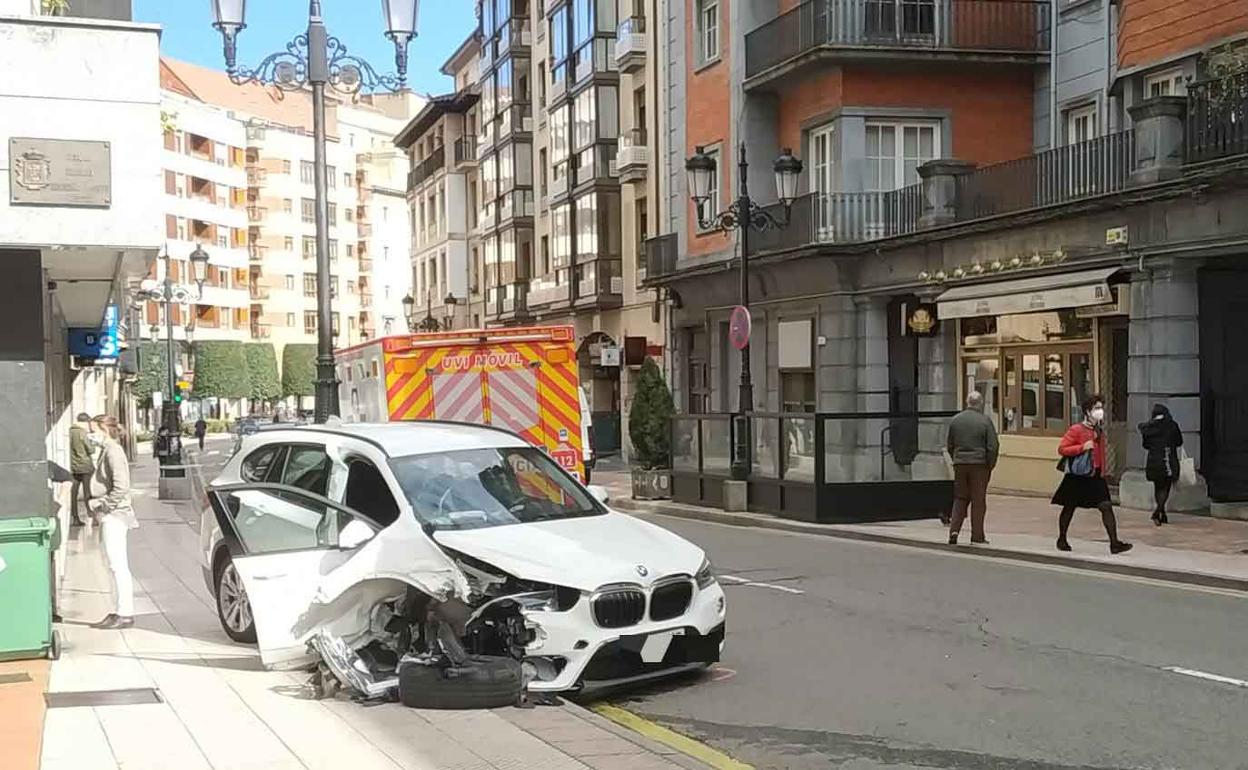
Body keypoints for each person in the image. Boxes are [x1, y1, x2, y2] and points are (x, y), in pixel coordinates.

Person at [1053, 395, 1133, 554]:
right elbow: (1062, 449)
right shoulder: (1076, 429)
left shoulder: (1099, 431)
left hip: (1095, 475)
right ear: (1087, 412)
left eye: (1101, 408)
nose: (1100, 411)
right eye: (1096, 408)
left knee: (1106, 507)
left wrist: (1104, 471)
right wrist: (1082, 447)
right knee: (1069, 507)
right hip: (1078, 476)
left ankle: (1114, 543)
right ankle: (1062, 538)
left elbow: (1101, 454)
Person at [87, 415, 137, 630]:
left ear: (104, 430)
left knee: (118, 565)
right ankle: (118, 610)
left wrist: (103, 505)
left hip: (115, 515)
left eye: (93, 430)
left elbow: (121, 486)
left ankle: (125, 613)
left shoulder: (113, 451)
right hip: (111, 514)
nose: (91, 435)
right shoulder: (107, 450)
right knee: (112, 565)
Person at [945, 390, 999, 545]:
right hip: (979, 465)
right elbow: (993, 446)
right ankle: (977, 535)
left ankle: (954, 531)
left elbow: (950, 444)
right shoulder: (985, 421)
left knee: (960, 498)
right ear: (980, 403)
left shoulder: (956, 420)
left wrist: (956, 458)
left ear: (967, 403)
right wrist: (990, 464)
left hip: (960, 464)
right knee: (978, 500)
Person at [1140, 403, 1183, 526]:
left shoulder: (1148, 427)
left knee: (1158, 486)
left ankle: (1161, 513)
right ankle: (1158, 511)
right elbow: (1179, 441)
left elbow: (1145, 445)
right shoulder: (1172, 425)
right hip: (1168, 458)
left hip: (1154, 460)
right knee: (1166, 485)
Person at [68, 412, 95, 527]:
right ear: (85, 422)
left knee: (73, 493)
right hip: (85, 466)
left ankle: (74, 518)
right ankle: (93, 517)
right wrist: (93, 444)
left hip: (74, 466)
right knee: (88, 493)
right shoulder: (82, 433)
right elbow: (90, 450)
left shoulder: (71, 431)